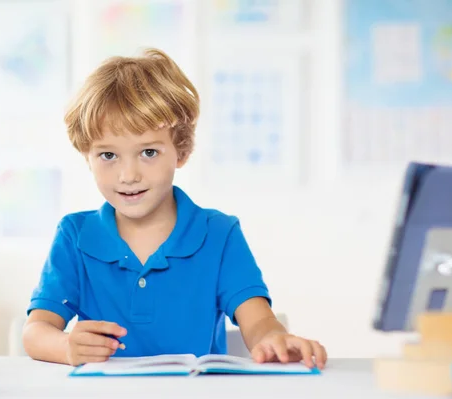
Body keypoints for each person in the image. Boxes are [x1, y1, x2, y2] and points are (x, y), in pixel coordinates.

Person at [22, 48, 327, 369]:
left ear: (181, 150)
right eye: (108, 155)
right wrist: (67, 346)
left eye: (149, 152)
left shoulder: (219, 234)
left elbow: (258, 322)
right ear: (88, 157)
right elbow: (35, 332)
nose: (128, 175)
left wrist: (273, 340)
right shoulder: (75, 235)